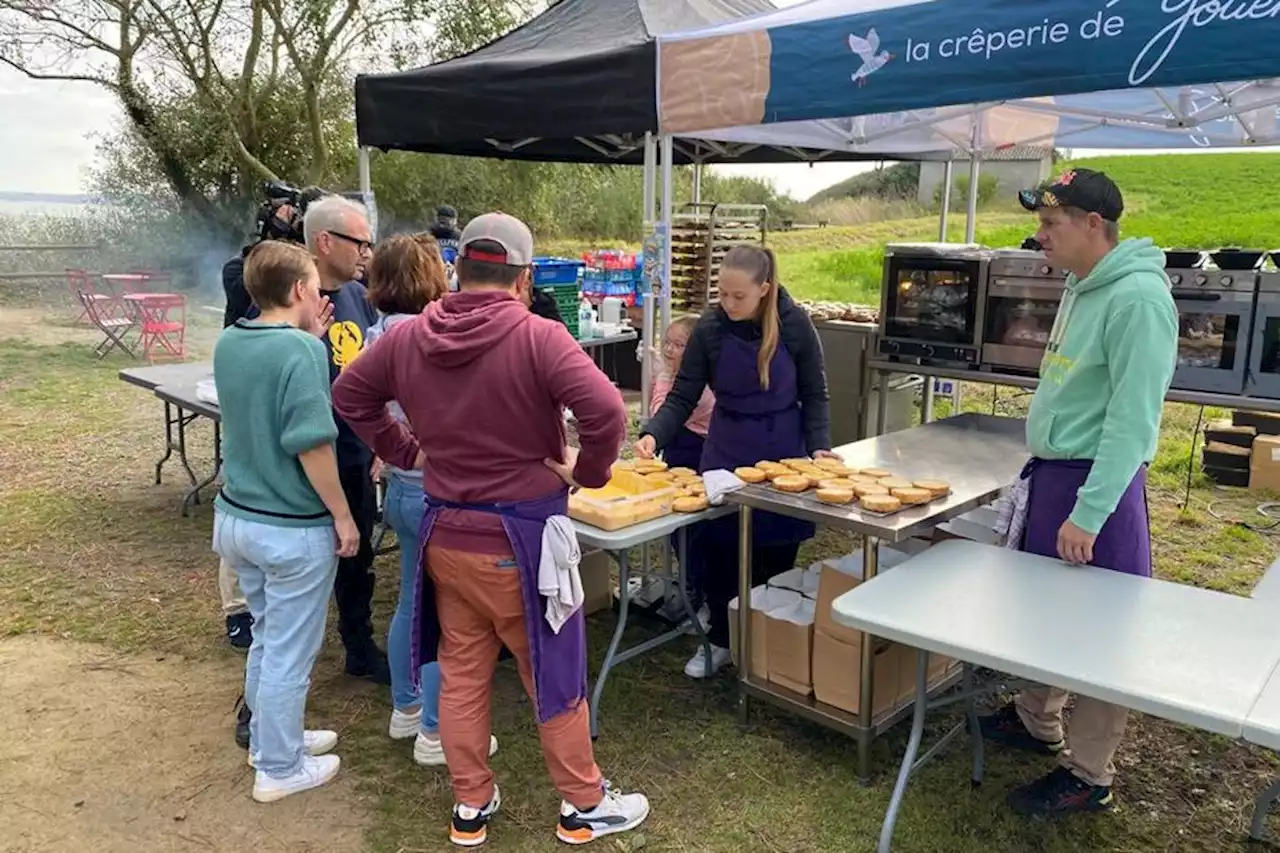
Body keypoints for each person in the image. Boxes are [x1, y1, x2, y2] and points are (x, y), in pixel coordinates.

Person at [332, 212, 650, 847]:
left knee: (464, 669)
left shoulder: (410, 334)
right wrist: (585, 471)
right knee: (551, 669)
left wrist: (405, 450)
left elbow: (349, 394)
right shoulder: (538, 337)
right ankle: (582, 804)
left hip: (445, 533)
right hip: (522, 540)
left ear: (459, 270)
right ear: (524, 278)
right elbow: (607, 408)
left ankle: (471, 804)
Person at [980, 168, 1178, 817]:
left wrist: (1090, 511)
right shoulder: (1081, 283)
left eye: (1051, 223)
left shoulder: (1139, 300)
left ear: (1094, 224)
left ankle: (1089, 772)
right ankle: (1038, 717)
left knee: (1100, 631)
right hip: (1056, 476)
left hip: (1098, 486)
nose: (1039, 236)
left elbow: (1133, 419)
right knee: (1047, 614)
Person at [634, 245, 833, 680]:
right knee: (720, 548)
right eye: (722, 294)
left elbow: (815, 394)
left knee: (775, 550)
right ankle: (721, 640)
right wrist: (654, 432)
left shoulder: (795, 325)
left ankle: (765, 647)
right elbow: (685, 394)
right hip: (726, 449)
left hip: (783, 447)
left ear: (765, 289)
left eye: (737, 296)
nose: (727, 304)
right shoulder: (710, 329)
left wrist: (819, 447)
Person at [212, 240, 359, 802]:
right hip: (288, 525)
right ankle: (278, 766)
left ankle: (272, 739)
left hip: (238, 518)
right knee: (292, 650)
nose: (322, 294)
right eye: (316, 286)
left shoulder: (231, 340)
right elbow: (311, 444)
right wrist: (342, 515)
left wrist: (310, 343)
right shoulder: (300, 352)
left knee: (268, 637)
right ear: (300, 289)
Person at [363, 233, 501, 767]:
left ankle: (407, 705)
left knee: (410, 605)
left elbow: (359, 401)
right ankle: (437, 731)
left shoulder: (378, 334)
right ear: (430, 279)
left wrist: (392, 448)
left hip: (399, 487)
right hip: (433, 490)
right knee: (449, 618)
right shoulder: (426, 336)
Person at [302, 195, 389, 685]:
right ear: (325, 241)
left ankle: (359, 646)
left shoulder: (358, 296)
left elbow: (369, 375)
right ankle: (287, 673)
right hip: (310, 457)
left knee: (359, 557)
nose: (366, 252)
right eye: (360, 241)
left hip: (356, 453)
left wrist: (377, 438)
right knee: (310, 567)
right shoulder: (291, 299)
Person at [650, 315, 716, 621]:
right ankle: (690, 584)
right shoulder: (671, 377)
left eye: (679, 345)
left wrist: (663, 379)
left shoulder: (700, 387)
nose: (669, 350)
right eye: (667, 342)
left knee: (696, 529)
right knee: (680, 529)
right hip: (678, 455)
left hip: (699, 456)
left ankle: (699, 591)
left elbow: (666, 412)